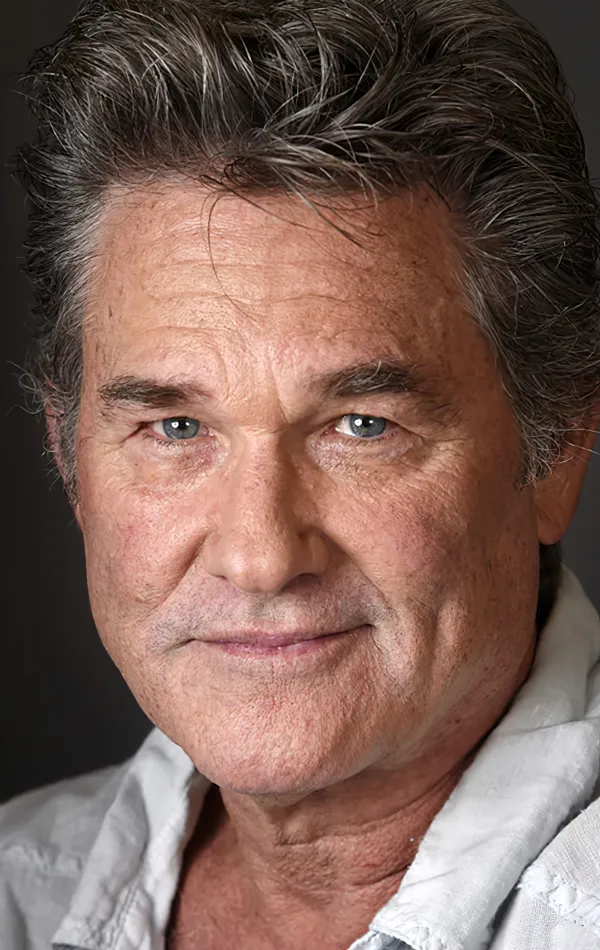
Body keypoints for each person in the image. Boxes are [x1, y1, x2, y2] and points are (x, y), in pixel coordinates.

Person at [2, 0, 600, 947]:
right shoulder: (18, 892)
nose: (261, 557)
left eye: (362, 426)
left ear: (558, 447)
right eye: (175, 427)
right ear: (68, 454)